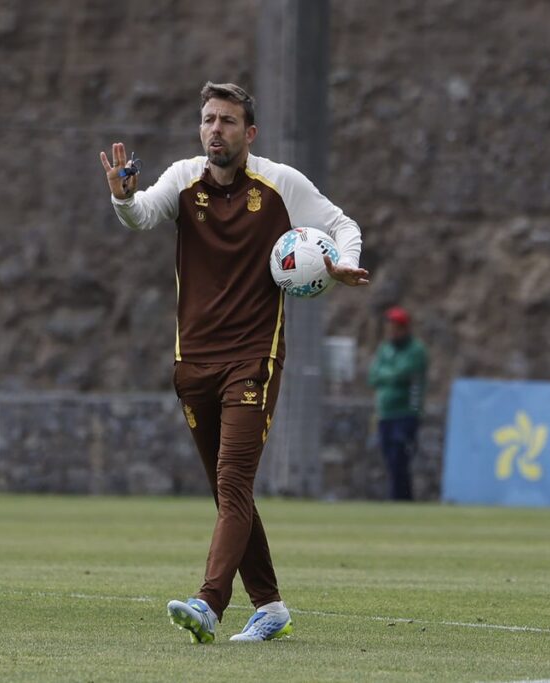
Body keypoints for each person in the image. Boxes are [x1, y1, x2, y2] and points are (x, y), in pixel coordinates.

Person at [100, 82, 369, 644]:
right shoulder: (182, 178)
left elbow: (344, 225)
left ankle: (209, 603)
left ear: (249, 133)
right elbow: (142, 215)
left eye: (226, 120)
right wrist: (124, 197)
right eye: (207, 120)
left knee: (233, 480)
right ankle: (269, 606)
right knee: (231, 495)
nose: (214, 129)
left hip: (253, 358)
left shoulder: (280, 184)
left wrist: (342, 261)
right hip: (193, 362)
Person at [368, 306, 428, 501]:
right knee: (389, 458)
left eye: (396, 327)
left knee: (399, 458)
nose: (391, 331)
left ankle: (400, 499)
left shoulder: (416, 350)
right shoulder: (385, 349)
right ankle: (401, 499)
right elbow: (373, 376)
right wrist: (388, 375)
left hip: (406, 413)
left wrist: (387, 374)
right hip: (385, 413)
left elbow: (402, 374)